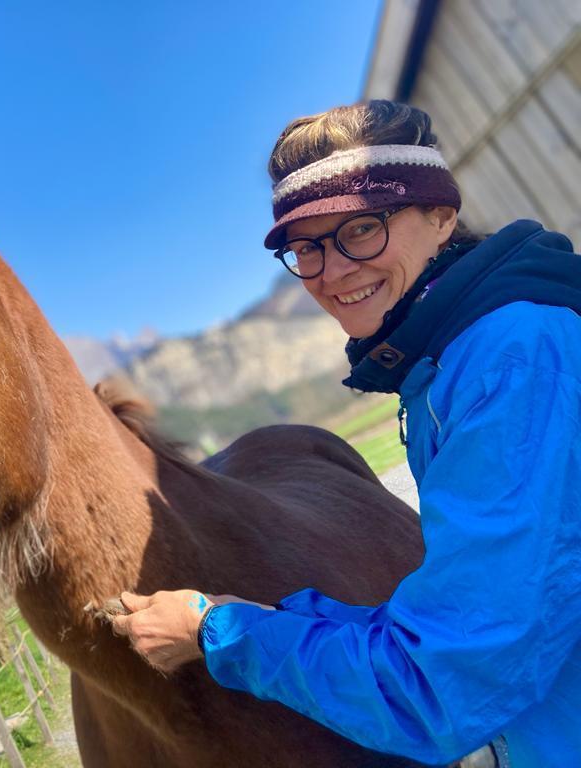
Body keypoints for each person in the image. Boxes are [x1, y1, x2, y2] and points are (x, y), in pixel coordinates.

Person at [110, 101, 581, 768]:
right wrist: (255, 614)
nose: (331, 272)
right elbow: (477, 626)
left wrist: (218, 632)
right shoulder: (453, 362)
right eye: (306, 248)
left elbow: (441, 689)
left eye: (361, 228)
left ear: (442, 214)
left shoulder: (509, 363)